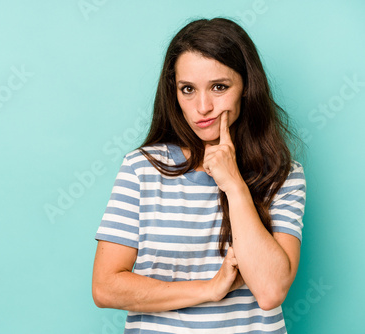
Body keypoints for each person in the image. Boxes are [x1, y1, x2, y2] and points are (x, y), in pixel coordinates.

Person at [92, 17, 306, 333]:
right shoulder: (141, 169)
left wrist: (233, 184)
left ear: (246, 87)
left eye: (219, 87)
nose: (202, 107)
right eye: (188, 89)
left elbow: (271, 291)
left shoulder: (283, 175)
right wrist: (210, 288)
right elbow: (106, 288)